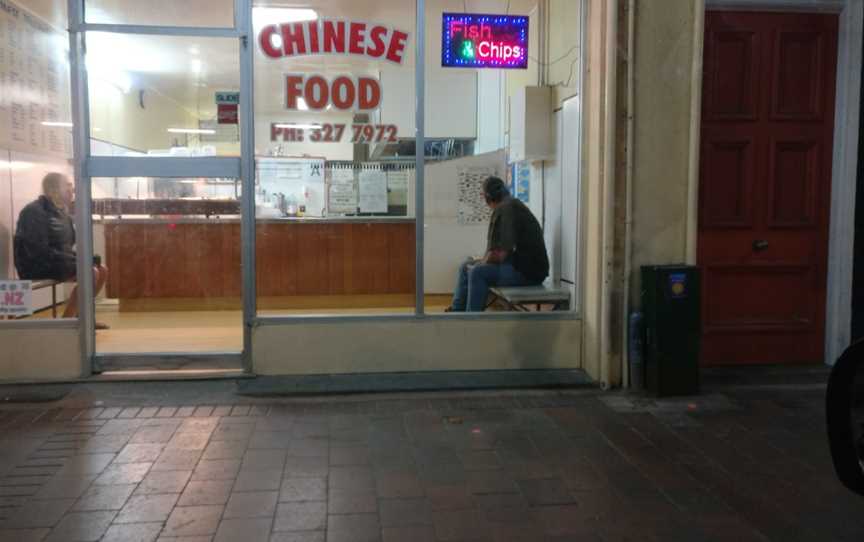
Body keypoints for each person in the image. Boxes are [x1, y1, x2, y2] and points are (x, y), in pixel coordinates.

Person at [14, 173, 109, 322]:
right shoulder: (33, 212)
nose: (73, 189)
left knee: (102, 269)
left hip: (55, 261)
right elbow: (37, 250)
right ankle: (67, 322)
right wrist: (76, 260)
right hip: (36, 264)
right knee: (90, 272)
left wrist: (80, 258)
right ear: (54, 190)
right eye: (68, 185)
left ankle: (83, 319)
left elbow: (67, 245)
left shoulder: (62, 213)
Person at [447, 176, 549, 312]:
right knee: (465, 266)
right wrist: (479, 262)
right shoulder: (511, 204)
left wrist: (479, 263)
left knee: (477, 272)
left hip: (529, 273)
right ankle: (456, 313)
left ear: (487, 197)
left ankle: (471, 320)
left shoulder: (504, 209)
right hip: (522, 265)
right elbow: (499, 251)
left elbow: (499, 255)